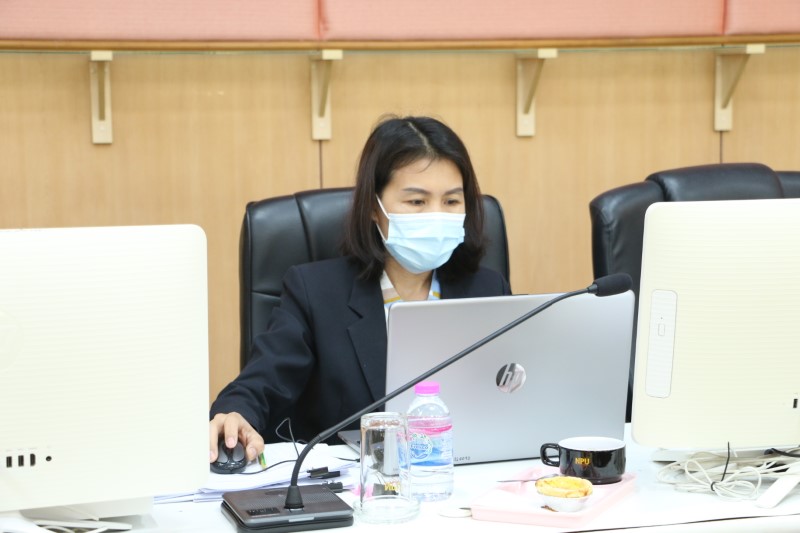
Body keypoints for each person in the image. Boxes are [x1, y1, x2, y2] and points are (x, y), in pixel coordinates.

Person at [209, 115, 511, 464]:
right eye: (417, 202)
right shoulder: (315, 292)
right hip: (355, 486)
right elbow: (263, 381)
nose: (437, 215)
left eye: (452, 201)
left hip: (467, 478)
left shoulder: (488, 290)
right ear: (374, 208)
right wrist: (235, 414)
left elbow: (515, 391)